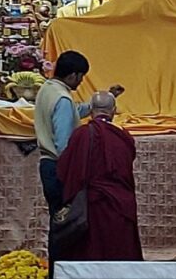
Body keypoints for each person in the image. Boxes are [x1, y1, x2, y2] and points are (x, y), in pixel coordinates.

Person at [35, 52, 124, 267]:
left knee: (59, 221)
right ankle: (65, 269)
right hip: (60, 167)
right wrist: (75, 174)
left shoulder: (48, 89)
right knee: (68, 225)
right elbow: (65, 145)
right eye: (81, 76)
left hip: (47, 164)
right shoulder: (63, 98)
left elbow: (73, 112)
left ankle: (58, 268)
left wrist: (102, 100)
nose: (81, 81)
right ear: (73, 75)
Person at [57, 91, 142, 261]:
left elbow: (64, 169)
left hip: (91, 205)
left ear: (91, 109)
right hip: (120, 204)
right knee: (119, 252)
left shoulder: (81, 134)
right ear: (113, 110)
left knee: (90, 253)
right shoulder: (124, 137)